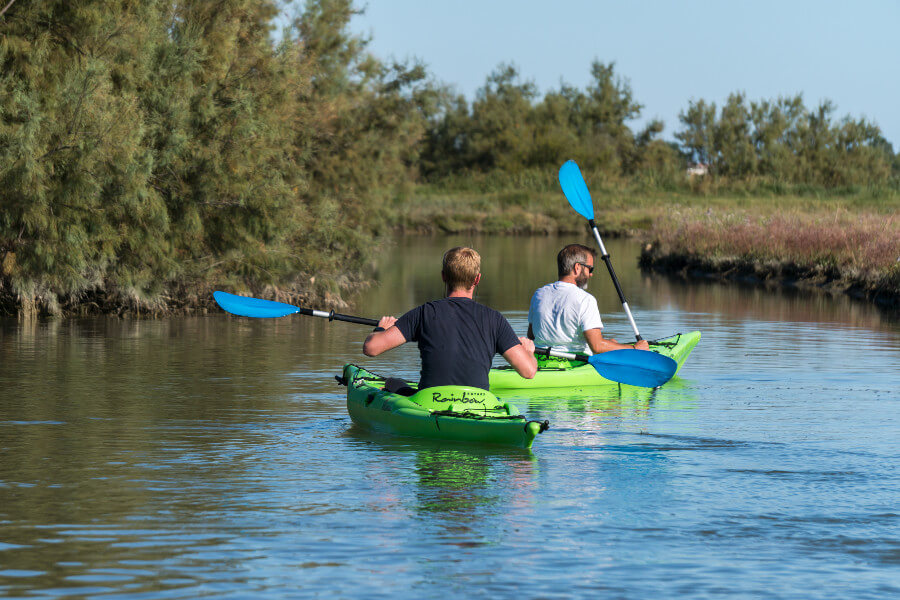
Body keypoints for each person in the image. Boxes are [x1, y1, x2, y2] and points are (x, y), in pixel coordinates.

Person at [363, 246, 536, 390]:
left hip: (430, 403)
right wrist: (528, 352)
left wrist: (381, 329)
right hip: (478, 406)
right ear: (477, 279)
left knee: (392, 384)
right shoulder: (496, 319)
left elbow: (371, 348)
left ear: (443, 276)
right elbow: (529, 372)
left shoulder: (424, 313)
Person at [527, 243, 650, 355]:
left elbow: (531, 335)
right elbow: (597, 347)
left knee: (612, 343)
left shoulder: (539, 293)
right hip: (574, 363)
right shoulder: (585, 299)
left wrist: (613, 345)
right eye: (590, 269)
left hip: (540, 361)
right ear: (577, 268)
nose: (591, 274)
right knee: (609, 345)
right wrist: (634, 348)